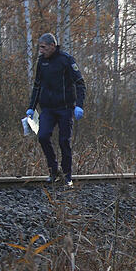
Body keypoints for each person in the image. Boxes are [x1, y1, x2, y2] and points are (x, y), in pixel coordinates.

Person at [26, 33, 86, 187]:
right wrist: (31, 108)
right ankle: (53, 171)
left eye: (43, 47)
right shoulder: (41, 62)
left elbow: (80, 83)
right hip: (47, 109)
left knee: (63, 142)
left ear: (52, 46)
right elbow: (37, 85)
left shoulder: (66, 60)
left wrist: (79, 104)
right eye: (40, 47)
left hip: (65, 108)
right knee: (43, 137)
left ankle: (67, 176)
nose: (41, 51)